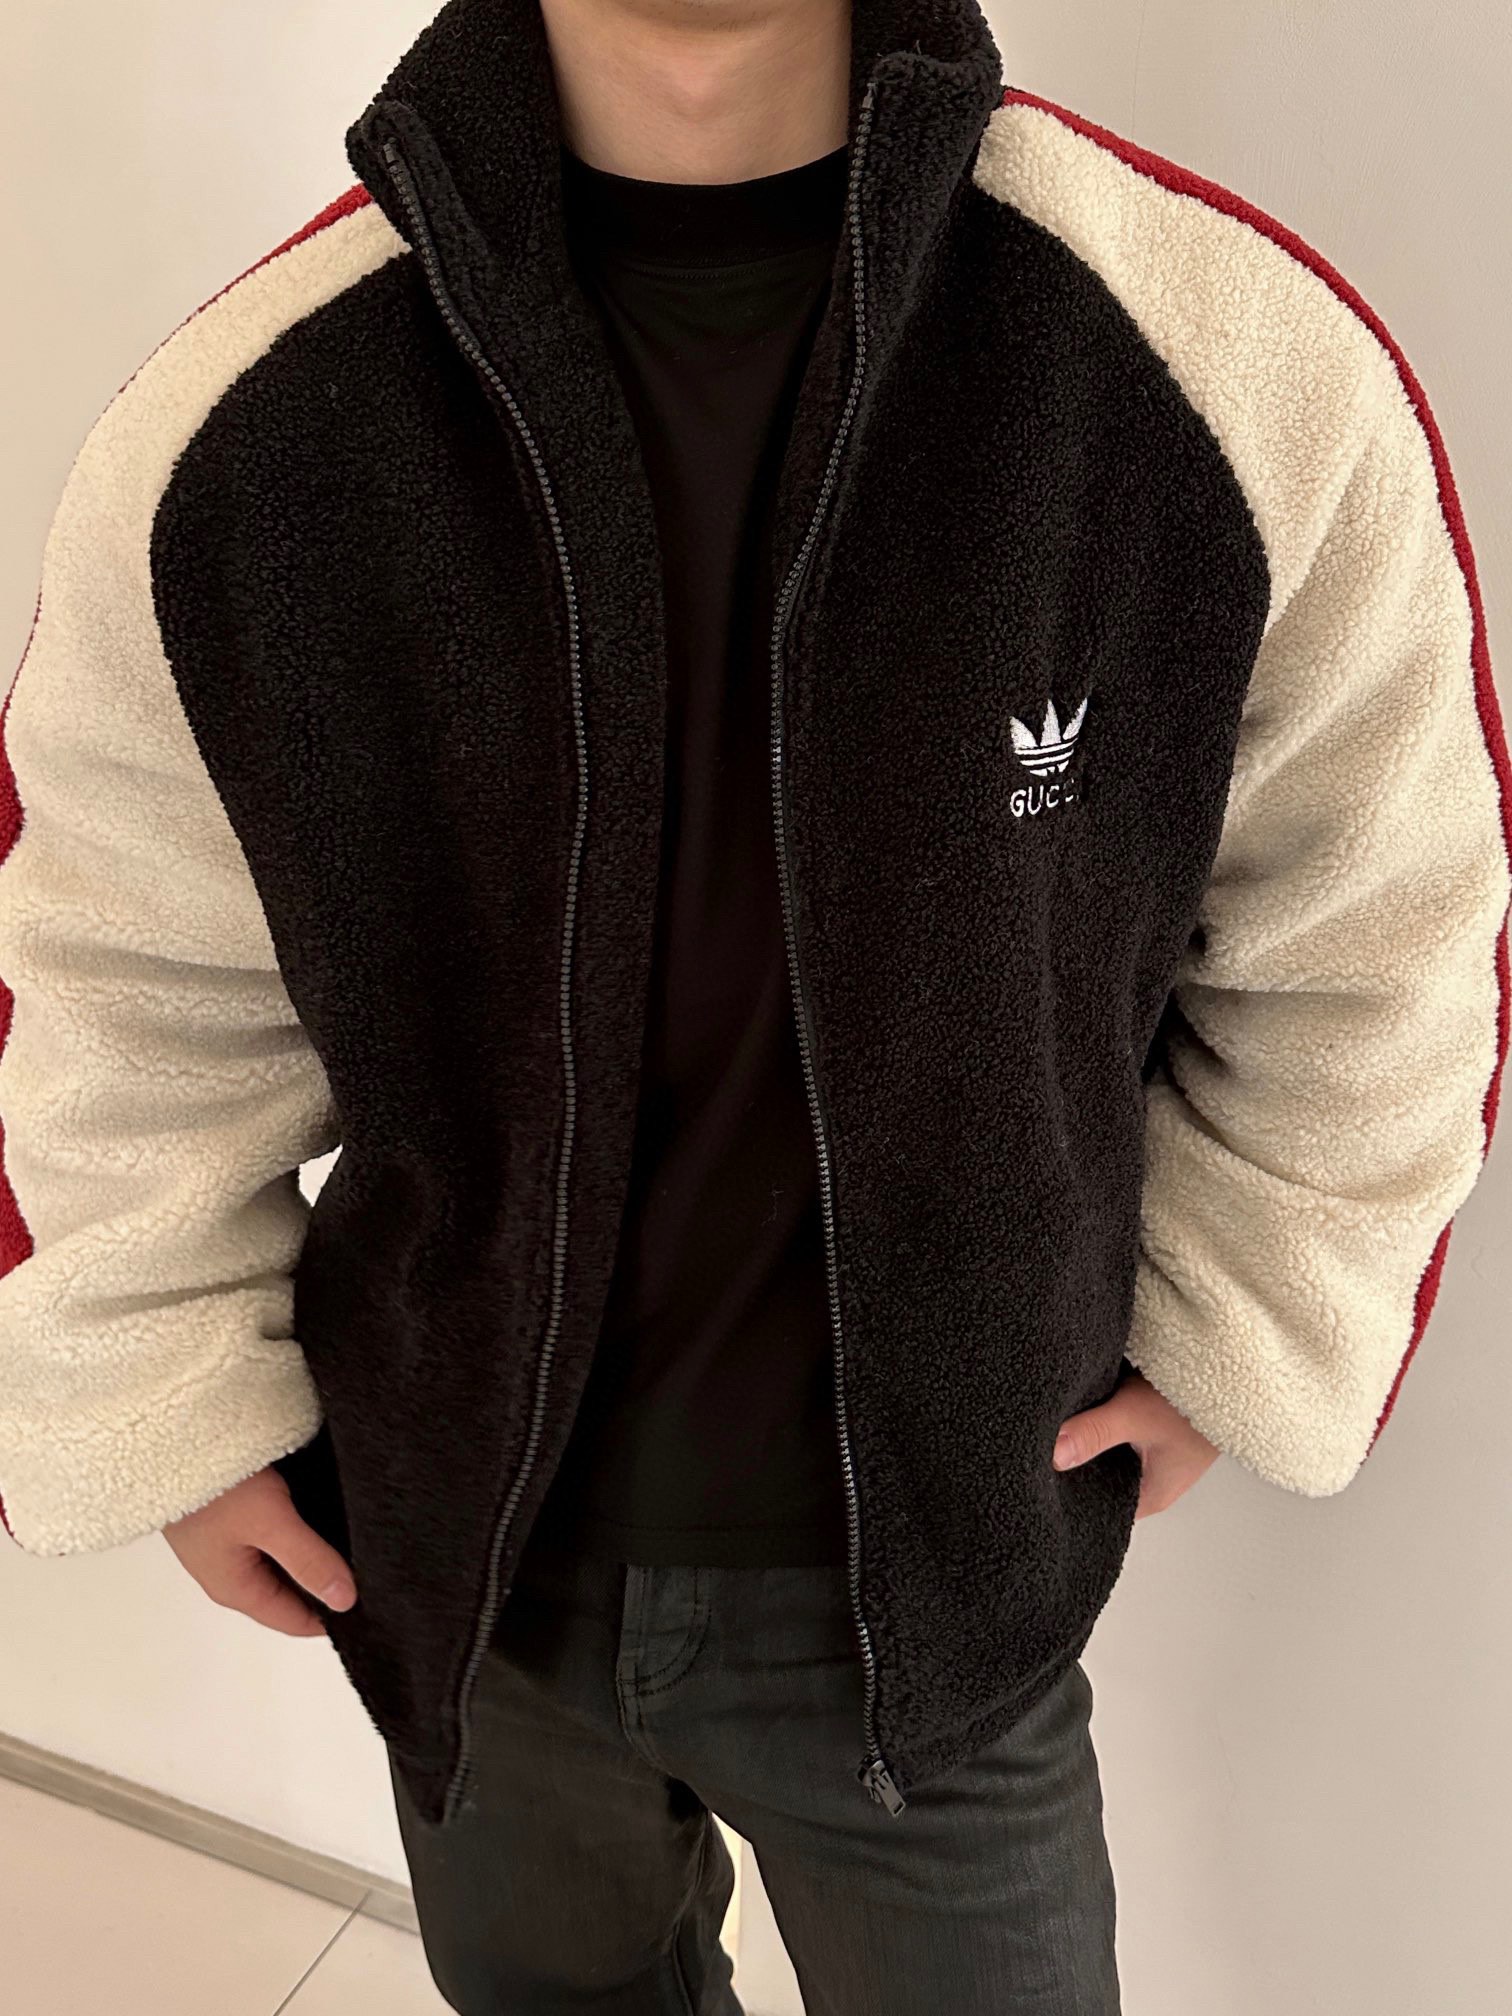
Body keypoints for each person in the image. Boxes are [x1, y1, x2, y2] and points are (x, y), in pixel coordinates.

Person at [0, 0, 1506, 2007]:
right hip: (465, 1563)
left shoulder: (1223, 366)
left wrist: (1249, 1335)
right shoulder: (246, 431)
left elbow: (1384, 926)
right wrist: (165, 1392)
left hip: (942, 1588)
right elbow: (116, 969)